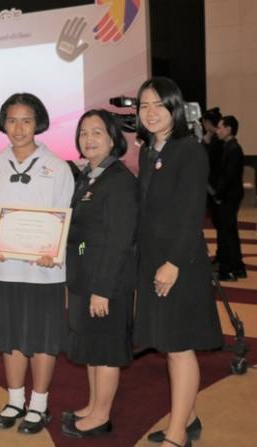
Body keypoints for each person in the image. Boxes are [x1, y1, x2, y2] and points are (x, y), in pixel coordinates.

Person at [134, 77, 223, 447]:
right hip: (154, 261)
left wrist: (173, 263)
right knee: (169, 343)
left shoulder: (189, 150)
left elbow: (190, 214)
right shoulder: (148, 151)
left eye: (159, 104)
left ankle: (177, 434)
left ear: (175, 107)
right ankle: (189, 418)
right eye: (144, 105)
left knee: (178, 347)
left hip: (179, 262)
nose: (151, 112)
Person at [0, 93, 74, 435]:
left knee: (43, 337)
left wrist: (54, 247)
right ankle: (15, 399)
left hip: (44, 270)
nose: (18, 128)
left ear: (38, 124)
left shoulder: (58, 167)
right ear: (3, 123)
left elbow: (64, 216)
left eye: (26, 120)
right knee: (11, 336)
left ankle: (39, 403)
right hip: (2, 268)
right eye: (12, 120)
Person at [61, 110, 137, 438]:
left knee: (105, 350)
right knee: (92, 348)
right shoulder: (89, 176)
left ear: (112, 138)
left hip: (106, 284)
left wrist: (103, 289)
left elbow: (119, 240)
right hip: (85, 277)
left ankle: (101, 416)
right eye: (83, 133)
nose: (88, 139)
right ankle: (93, 406)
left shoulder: (119, 181)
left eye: (96, 132)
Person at [215, 115, 245, 281]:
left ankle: (228, 270)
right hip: (230, 195)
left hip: (229, 196)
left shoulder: (233, 149)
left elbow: (228, 177)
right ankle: (237, 267)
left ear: (228, 129)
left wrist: (218, 194)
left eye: (220, 128)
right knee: (230, 232)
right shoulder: (230, 147)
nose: (217, 131)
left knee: (227, 233)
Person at [201, 107, 223, 230]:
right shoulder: (216, 139)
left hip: (215, 185)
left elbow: (206, 160)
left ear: (208, 123)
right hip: (215, 184)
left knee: (220, 222)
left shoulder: (216, 140)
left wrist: (205, 143)